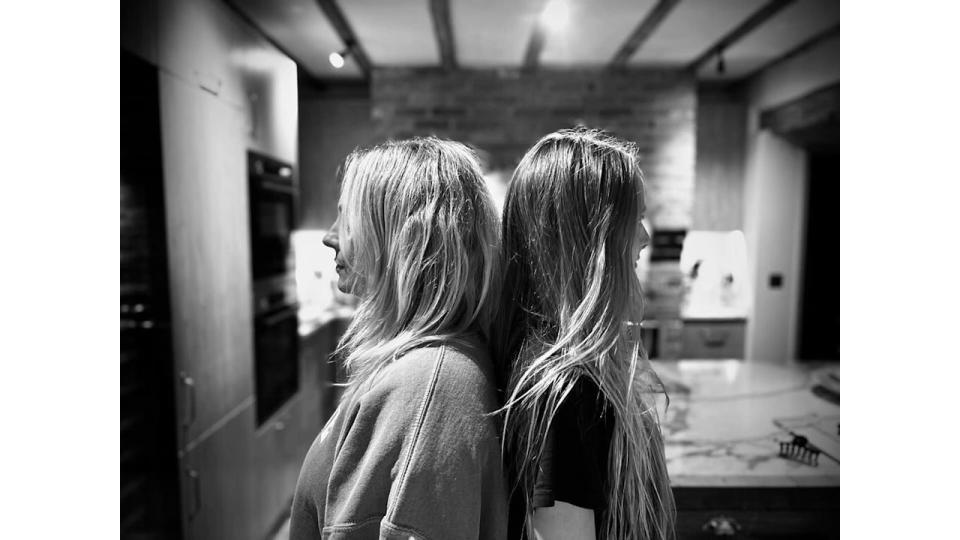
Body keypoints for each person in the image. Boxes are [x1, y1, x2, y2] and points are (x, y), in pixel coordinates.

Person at [289, 137, 508, 539]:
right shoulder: (422, 368)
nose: (329, 236)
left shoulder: (430, 385)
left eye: (347, 219)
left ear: (401, 236)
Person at [495, 127, 676, 540]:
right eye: (635, 219)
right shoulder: (565, 392)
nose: (644, 237)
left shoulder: (569, 374)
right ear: (589, 240)